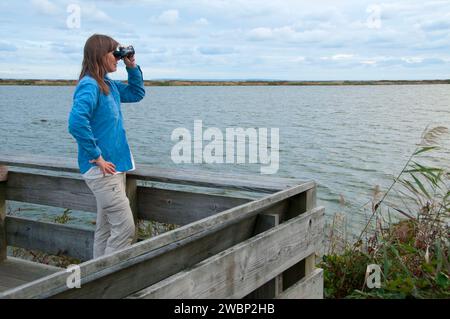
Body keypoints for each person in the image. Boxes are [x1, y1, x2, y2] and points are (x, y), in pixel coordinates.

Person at [68, 34, 145, 258]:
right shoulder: (90, 85)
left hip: (113, 168)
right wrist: (96, 156)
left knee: (107, 228)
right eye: (114, 54)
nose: (118, 59)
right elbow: (76, 123)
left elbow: (136, 93)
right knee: (125, 229)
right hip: (103, 171)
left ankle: (96, 279)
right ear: (100, 55)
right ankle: (110, 280)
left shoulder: (108, 84)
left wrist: (132, 67)